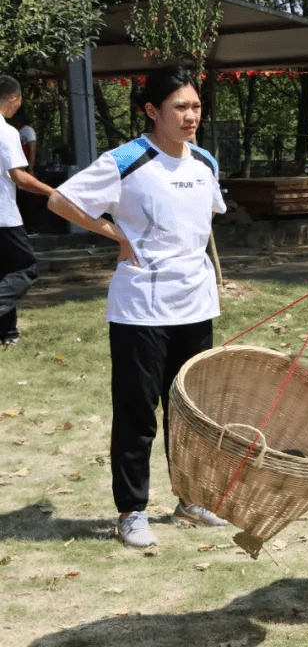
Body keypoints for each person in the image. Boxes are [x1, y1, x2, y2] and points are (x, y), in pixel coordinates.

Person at [48, 66, 229, 548]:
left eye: (195, 106)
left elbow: (204, 217)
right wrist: (113, 233)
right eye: (180, 108)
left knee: (190, 410)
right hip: (140, 311)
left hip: (195, 305)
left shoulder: (205, 162)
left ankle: (191, 498)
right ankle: (132, 510)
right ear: (152, 111)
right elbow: (62, 201)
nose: (191, 116)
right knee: (137, 412)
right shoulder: (125, 159)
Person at [0, 76, 55, 346]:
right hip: (3, 217)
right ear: (14, 99)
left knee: (4, 272)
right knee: (25, 268)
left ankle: (8, 334)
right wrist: (51, 191)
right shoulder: (6, 132)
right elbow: (19, 177)